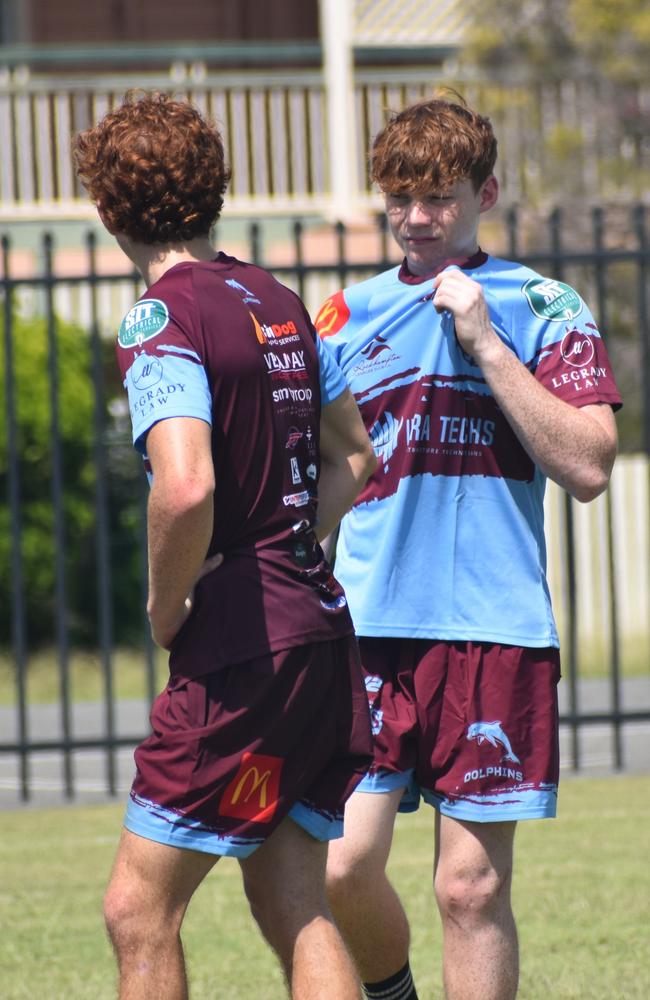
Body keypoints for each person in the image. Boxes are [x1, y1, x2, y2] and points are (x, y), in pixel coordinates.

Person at [314, 93, 621, 1000]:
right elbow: (318, 469)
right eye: (400, 198)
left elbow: (592, 465)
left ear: (486, 191)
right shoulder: (342, 315)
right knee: (341, 866)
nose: (416, 218)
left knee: (468, 887)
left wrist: (487, 344)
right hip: (366, 626)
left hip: (495, 630)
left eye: (440, 197)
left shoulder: (543, 305)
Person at [73, 91, 377, 1000]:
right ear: (215, 190)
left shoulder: (160, 318)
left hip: (242, 655)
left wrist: (171, 607)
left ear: (107, 207)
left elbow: (188, 482)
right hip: (319, 637)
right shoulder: (277, 298)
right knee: (294, 898)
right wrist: (283, 541)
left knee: (138, 909)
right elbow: (355, 459)